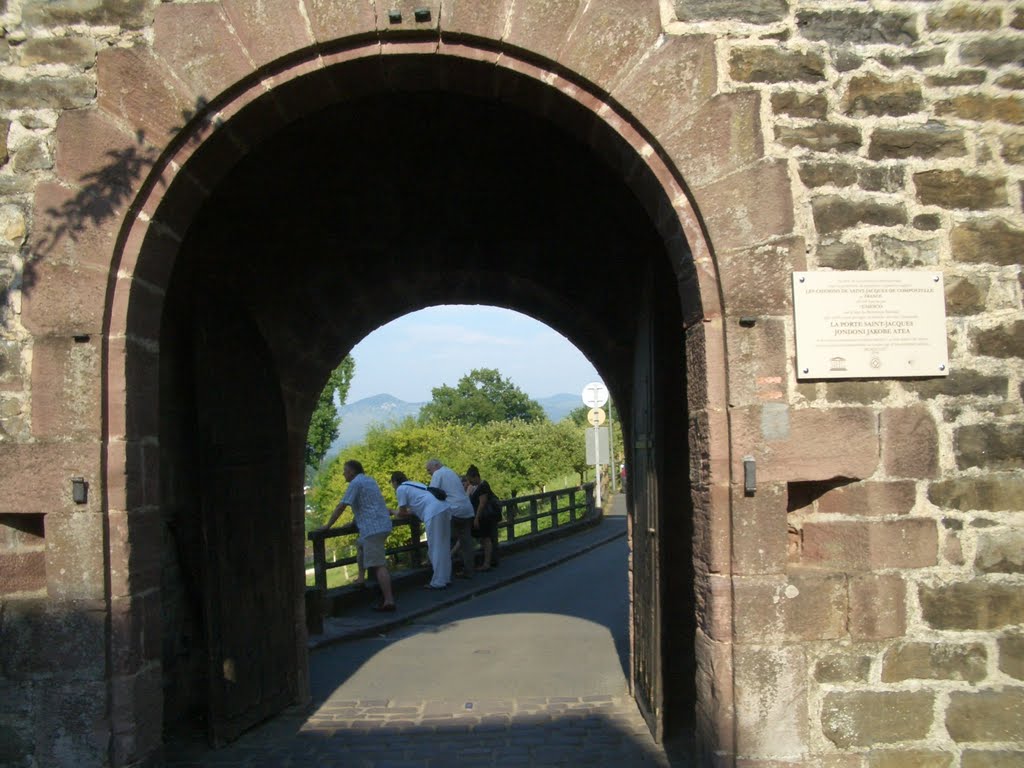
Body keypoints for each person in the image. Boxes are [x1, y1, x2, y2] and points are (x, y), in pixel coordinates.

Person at [319, 460, 396, 612]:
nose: (343, 473)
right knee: (360, 545)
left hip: (372, 528)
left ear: (352, 472)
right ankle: (361, 578)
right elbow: (368, 504)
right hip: (382, 524)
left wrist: (328, 526)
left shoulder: (355, 484)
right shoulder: (369, 480)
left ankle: (389, 600)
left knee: (379, 565)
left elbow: (342, 505)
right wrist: (355, 521)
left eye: (345, 470)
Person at [391, 470, 452, 589]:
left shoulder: (401, 489)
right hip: (444, 508)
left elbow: (402, 512)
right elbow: (415, 507)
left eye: (392, 483)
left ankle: (438, 582)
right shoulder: (415, 484)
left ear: (394, 481)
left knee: (435, 547)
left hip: (433, 513)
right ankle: (445, 578)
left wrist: (392, 511)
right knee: (444, 545)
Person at [426, 458, 475, 579]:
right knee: (466, 542)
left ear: (436, 466)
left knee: (444, 540)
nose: (428, 473)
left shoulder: (438, 473)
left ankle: (442, 573)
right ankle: (469, 570)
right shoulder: (450, 471)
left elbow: (432, 493)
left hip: (454, 510)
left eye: (429, 470)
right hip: (467, 509)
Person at [465, 464, 500, 570]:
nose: (470, 483)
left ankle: (487, 563)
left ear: (476, 477)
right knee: (485, 539)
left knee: (486, 539)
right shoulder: (479, 486)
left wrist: (476, 518)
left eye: (471, 480)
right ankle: (488, 561)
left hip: (484, 517)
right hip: (484, 516)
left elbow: (482, 503)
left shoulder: (483, 487)